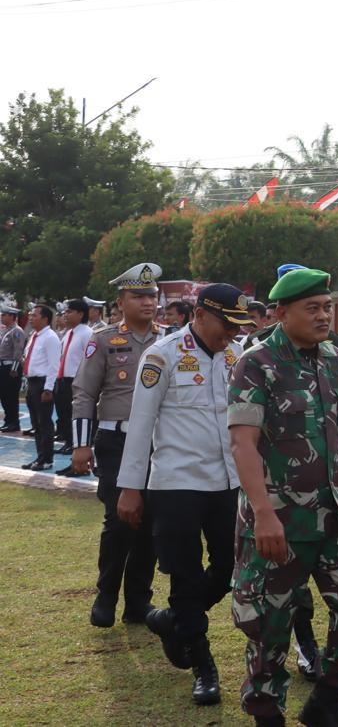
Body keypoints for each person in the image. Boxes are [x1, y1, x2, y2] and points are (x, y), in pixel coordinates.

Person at [228, 267, 338, 727]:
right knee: (269, 623)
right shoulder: (256, 362)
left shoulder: (335, 358)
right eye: (311, 308)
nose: (322, 316)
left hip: (336, 511)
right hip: (279, 518)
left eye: (326, 307)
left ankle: (327, 701)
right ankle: (265, 712)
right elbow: (243, 444)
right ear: (281, 313)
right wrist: (262, 515)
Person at [116, 284, 250, 707]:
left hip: (227, 482)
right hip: (176, 484)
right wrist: (130, 488)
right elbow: (140, 423)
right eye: (227, 323)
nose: (231, 332)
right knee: (185, 573)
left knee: (231, 564)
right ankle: (202, 664)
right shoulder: (163, 355)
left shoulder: (234, 356)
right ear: (202, 314)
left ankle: (175, 620)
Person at [70, 262, 165, 628]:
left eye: (152, 295)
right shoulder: (104, 339)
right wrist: (82, 445)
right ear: (121, 301)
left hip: (158, 443)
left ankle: (138, 600)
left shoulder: (169, 339)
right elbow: (84, 392)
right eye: (138, 295)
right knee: (119, 520)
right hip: (116, 440)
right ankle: (106, 593)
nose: (147, 302)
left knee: (151, 522)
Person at [20, 303, 60, 471]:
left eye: (34, 315)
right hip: (33, 382)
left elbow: (53, 365)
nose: (31, 317)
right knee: (36, 423)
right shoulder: (34, 336)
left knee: (44, 423)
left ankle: (47, 459)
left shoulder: (50, 337)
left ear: (45, 318)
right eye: (30, 315)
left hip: (43, 383)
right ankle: (40, 457)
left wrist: (48, 388)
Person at [54, 299, 93, 451]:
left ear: (80, 314)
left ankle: (77, 444)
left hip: (77, 380)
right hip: (63, 379)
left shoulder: (87, 333)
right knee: (64, 413)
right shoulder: (69, 333)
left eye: (69, 312)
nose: (65, 315)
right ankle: (69, 442)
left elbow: (89, 360)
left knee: (75, 414)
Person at [0, 305, 26, 432]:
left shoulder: (17, 331)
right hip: (3, 367)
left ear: (12, 317)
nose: (1, 317)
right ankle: (8, 420)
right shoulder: (6, 330)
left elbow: (18, 350)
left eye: (4, 315)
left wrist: (15, 368)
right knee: (4, 396)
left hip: (11, 368)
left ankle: (14, 422)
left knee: (11, 396)